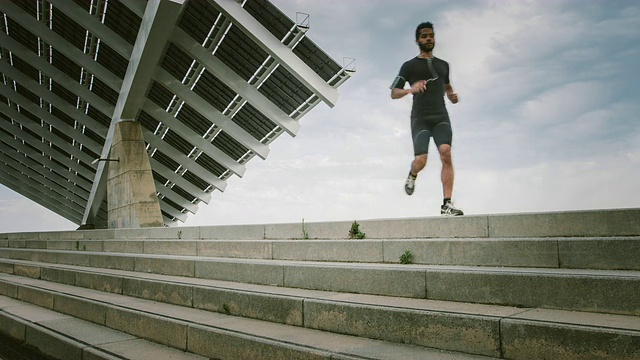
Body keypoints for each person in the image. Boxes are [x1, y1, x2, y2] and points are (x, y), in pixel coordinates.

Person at [390, 21, 463, 216]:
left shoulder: (443, 65)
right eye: (424, 36)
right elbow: (393, 93)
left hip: (441, 116)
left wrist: (452, 96)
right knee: (421, 161)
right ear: (417, 40)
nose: (428, 38)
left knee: (446, 152)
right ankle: (412, 174)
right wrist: (410, 89)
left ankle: (446, 204)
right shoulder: (409, 66)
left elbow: (446, 87)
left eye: (431, 35)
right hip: (420, 119)